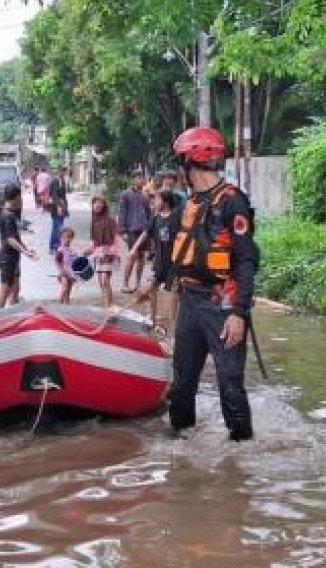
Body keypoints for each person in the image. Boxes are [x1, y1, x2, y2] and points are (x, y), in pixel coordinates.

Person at [136, 127, 258, 442]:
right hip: (190, 302)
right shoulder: (187, 206)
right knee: (182, 383)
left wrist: (239, 313)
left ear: (191, 161)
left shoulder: (233, 203)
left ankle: (241, 456)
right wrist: (154, 281)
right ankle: (182, 451)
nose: (180, 170)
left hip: (223, 304)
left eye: (181, 163)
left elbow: (246, 260)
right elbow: (171, 251)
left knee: (230, 382)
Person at [129, 189, 179, 331]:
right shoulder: (155, 218)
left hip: (174, 262)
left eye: (157, 199)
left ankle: (174, 323)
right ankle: (152, 318)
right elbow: (145, 234)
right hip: (159, 261)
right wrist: (134, 249)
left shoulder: (177, 216)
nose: (154, 202)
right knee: (151, 288)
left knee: (174, 293)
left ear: (166, 201)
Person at [0, 184, 36, 308]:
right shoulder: (7, 216)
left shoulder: (9, 214)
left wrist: (26, 249)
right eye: (20, 196)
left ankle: (11, 314)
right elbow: (10, 239)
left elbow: (15, 237)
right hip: (7, 258)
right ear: (16, 197)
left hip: (12, 257)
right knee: (5, 290)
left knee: (15, 289)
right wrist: (25, 252)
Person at [118, 171, 153, 294]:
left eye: (142, 178)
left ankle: (137, 283)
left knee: (141, 257)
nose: (141, 180)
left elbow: (149, 214)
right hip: (131, 230)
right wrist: (122, 231)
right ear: (133, 179)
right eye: (138, 177)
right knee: (132, 256)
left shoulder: (145, 196)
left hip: (144, 230)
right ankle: (125, 283)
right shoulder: (126, 194)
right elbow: (122, 212)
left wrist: (150, 228)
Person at [87, 195, 120, 309]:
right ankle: (108, 305)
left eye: (100, 203)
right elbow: (92, 241)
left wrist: (113, 252)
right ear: (92, 205)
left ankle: (108, 307)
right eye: (95, 203)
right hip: (98, 253)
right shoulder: (93, 221)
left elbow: (116, 237)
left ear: (104, 205)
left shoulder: (110, 220)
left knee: (105, 279)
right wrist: (87, 251)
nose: (97, 205)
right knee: (102, 282)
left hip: (109, 252)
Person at [46, 166, 70, 254]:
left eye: (65, 172)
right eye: (63, 172)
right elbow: (54, 195)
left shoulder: (61, 180)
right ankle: (55, 246)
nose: (64, 173)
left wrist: (65, 209)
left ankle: (54, 246)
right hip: (57, 208)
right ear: (59, 171)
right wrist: (59, 207)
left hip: (61, 206)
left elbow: (63, 196)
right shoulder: (56, 180)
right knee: (58, 228)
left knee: (57, 227)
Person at [55, 226, 78, 304]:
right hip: (63, 273)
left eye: (69, 237)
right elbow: (57, 261)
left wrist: (76, 274)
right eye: (64, 237)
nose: (67, 239)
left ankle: (66, 307)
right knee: (64, 288)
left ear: (72, 239)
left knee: (68, 292)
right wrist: (61, 271)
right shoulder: (60, 250)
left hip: (71, 273)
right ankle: (58, 304)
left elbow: (75, 263)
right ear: (60, 238)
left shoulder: (72, 251)